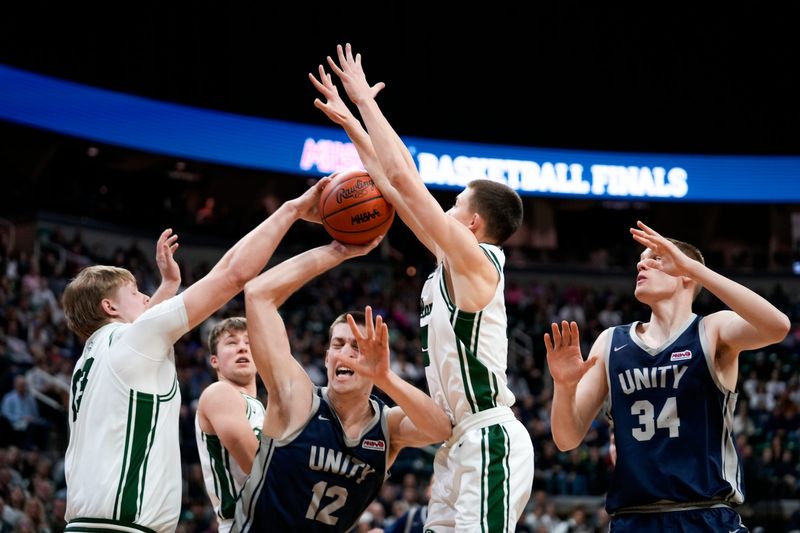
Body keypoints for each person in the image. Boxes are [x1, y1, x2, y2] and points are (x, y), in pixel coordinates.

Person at [313, 43, 534, 531]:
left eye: (454, 205)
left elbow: (406, 180)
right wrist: (352, 126)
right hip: (457, 442)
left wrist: (365, 103)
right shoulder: (448, 265)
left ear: (473, 224)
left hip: (489, 439)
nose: (446, 210)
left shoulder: (479, 264)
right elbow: (393, 190)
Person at [61, 179, 332, 533]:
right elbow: (234, 273)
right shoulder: (130, 342)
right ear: (109, 306)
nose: (146, 298)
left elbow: (143, 330)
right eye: (136, 292)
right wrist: (292, 210)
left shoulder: (92, 358)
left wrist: (168, 287)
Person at [545, 221, 791, 532]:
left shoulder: (712, 330)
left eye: (656, 258)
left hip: (705, 514)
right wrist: (564, 386)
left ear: (685, 273)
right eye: (640, 259)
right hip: (633, 517)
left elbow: (778, 326)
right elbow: (566, 440)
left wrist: (694, 266)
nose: (641, 263)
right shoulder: (611, 342)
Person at [233, 239, 452, 532]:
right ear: (327, 359)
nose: (346, 353)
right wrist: (339, 251)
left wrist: (385, 377)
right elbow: (258, 294)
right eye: (338, 344)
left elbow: (440, 429)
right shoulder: (299, 401)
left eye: (358, 347)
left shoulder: (387, 427)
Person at [195, 317, 263, 533]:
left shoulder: (263, 410)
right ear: (214, 360)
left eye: (248, 342)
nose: (242, 347)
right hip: (243, 524)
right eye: (232, 342)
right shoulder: (219, 393)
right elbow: (258, 467)